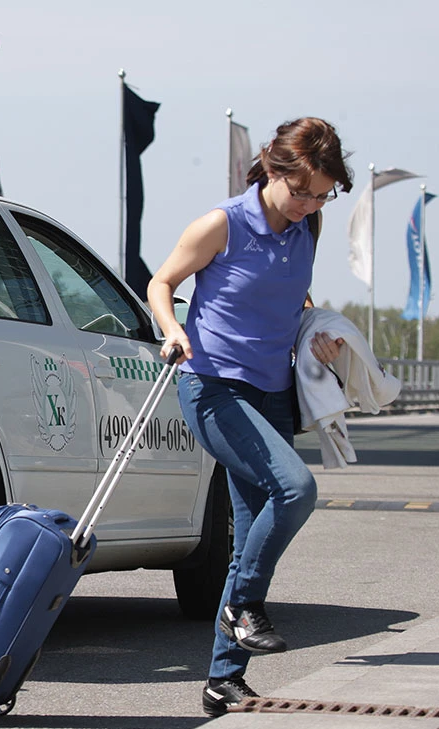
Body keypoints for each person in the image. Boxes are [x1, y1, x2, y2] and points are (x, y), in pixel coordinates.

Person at [147, 117, 354, 717]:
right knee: (296, 489)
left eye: (322, 194)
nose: (312, 203)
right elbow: (162, 281)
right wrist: (174, 330)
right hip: (212, 387)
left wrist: (316, 331)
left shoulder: (305, 225)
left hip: (272, 393)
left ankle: (222, 681)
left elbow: (295, 296)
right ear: (276, 169)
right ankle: (243, 607)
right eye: (304, 191)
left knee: (249, 530)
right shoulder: (222, 224)